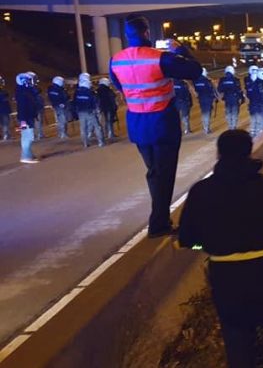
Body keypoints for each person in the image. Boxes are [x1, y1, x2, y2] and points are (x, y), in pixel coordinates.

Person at [178, 130, 263, 368]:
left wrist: (206, 246)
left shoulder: (201, 192)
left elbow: (188, 239)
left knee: (236, 336)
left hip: (226, 276)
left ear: (219, 154)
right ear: (249, 151)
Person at [110, 14, 202, 238]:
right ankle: (158, 224)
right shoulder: (160, 58)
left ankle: (159, 220)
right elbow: (195, 71)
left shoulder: (116, 60)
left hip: (137, 124)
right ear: (146, 33)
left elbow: (119, 85)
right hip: (162, 123)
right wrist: (181, 51)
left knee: (154, 172)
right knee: (164, 174)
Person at [73, 73, 105, 148]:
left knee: (83, 128)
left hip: (81, 112)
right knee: (97, 126)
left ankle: (85, 143)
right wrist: (96, 109)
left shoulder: (77, 92)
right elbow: (94, 101)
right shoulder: (90, 92)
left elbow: (74, 102)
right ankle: (101, 142)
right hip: (90, 111)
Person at [15, 73, 39, 163]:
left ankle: (28, 154)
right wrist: (23, 121)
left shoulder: (25, 90)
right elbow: (22, 107)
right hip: (26, 118)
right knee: (28, 137)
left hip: (28, 117)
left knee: (28, 136)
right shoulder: (22, 92)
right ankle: (26, 156)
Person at [218, 65, 244, 130]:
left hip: (227, 99)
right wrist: (242, 98)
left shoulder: (222, 80)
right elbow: (239, 90)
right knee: (235, 112)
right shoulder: (236, 80)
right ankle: (233, 126)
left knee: (228, 112)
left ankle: (230, 126)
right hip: (235, 99)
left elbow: (219, 89)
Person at [193, 68, 218, 134]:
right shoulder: (207, 81)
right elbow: (211, 90)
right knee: (207, 114)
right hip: (208, 99)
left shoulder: (196, 81)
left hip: (201, 99)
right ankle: (206, 128)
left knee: (204, 113)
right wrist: (215, 97)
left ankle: (205, 126)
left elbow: (196, 90)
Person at [247, 69, 263, 136]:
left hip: (253, 105)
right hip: (260, 106)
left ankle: (254, 134)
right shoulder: (261, 84)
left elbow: (249, 94)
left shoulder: (253, 83)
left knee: (255, 120)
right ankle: (260, 137)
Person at [28, 71, 45, 140]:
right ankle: (38, 135)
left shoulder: (33, 88)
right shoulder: (29, 88)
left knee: (37, 122)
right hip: (35, 108)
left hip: (37, 107)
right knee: (37, 122)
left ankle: (37, 134)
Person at [0, 76, 11, 141]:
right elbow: (4, 99)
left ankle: (7, 135)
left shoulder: (4, 92)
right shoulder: (3, 92)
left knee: (5, 123)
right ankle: (6, 135)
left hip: (4, 110)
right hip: (3, 110)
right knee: (5, 123)